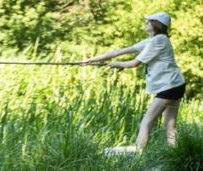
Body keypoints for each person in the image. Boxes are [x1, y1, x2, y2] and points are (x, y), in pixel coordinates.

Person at [80, 12, 187, 150]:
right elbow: (118, 51)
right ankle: (177, 156)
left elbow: (134, 63)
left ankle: (138, 153)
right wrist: (90, 60)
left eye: (149, 21)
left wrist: (117, 64)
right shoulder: (151, 40)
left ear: (156, 24)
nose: (146, 23)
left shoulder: (158, 40)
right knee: (169, 125)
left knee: (146, 123)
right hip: (176, 85)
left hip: (169, 87)